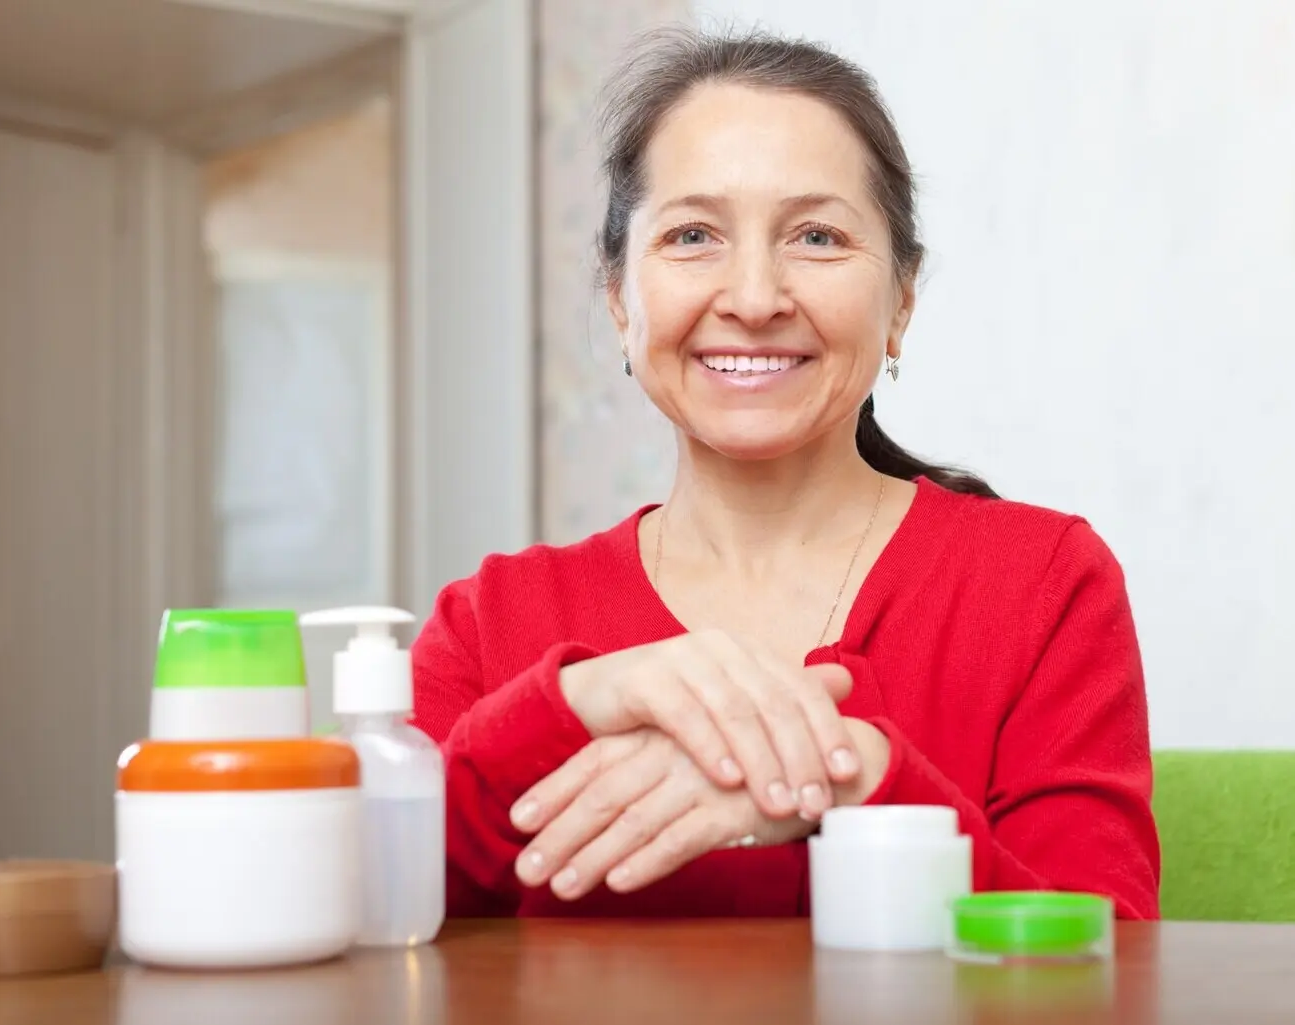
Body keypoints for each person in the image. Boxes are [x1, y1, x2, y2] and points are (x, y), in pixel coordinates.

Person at [410, 25, 1160, 919]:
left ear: (901, 302)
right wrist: (575, 702)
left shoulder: (1043, 585)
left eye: (816, 235)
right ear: (619, 301)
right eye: (693, 235)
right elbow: (371, 903)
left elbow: (1108, 963)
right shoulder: (490, 623)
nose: (756, 298)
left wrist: (855, 779)